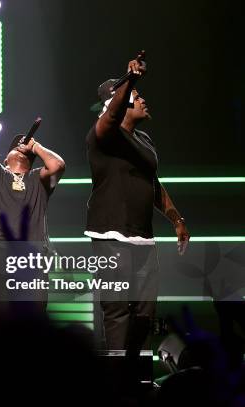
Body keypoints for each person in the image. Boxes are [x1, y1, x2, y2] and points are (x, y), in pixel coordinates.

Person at [85, 52, 191, 350]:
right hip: (111, 235)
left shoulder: (144, 140)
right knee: (118, 311)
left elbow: (152, 185)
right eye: (136, 95)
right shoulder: (103, 136)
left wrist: (177, 219)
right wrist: (129, 79)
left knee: (145, 313)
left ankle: (137, 379)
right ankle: (118, 386)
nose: (143, 100)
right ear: (119, 102)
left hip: (144, 238)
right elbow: (110, 119)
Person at [0, 69, 66, 309]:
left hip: (32, 256)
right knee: (0, 326)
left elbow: (58, 165)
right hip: (0, 251)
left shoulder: (38, 180)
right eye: (18, 144)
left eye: (27, 144)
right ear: (8, 154)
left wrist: (37, 146)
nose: (23, 144)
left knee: (33, 326)